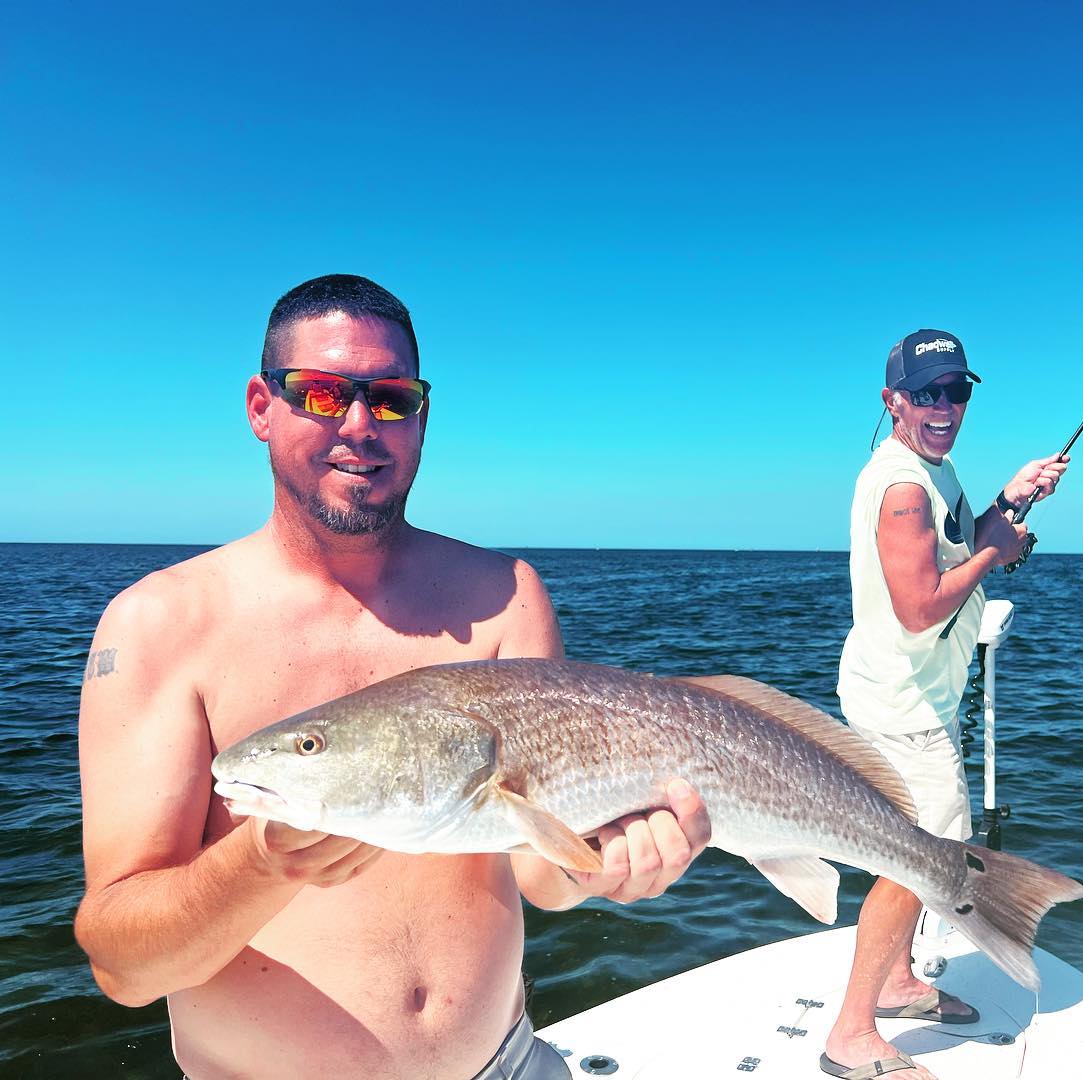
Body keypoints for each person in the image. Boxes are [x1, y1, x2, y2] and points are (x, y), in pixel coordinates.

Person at [73, 274, 712, 1080]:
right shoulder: (158, 625)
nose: (357, 425)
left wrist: (616, 861)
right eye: (319, 392)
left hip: (508, 1062)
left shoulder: (505, 594)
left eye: (390, 399)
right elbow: (125, 969)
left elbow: (543, 876)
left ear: (421, 417)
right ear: (260, 408)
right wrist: (265, 864)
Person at [820, 330, 1067, 1080]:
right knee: (917, 859)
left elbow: (951, 544)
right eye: (926, 393)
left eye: (956, 391)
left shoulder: (933, 470)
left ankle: (896, 985)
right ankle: (851, 1036)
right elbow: (922, 605)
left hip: (905, 696)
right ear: (892, 400)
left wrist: (1007, 501)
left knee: (914, 853)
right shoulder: (901, 488)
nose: (943, 407)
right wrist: (1001, 550)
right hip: (905, 708)